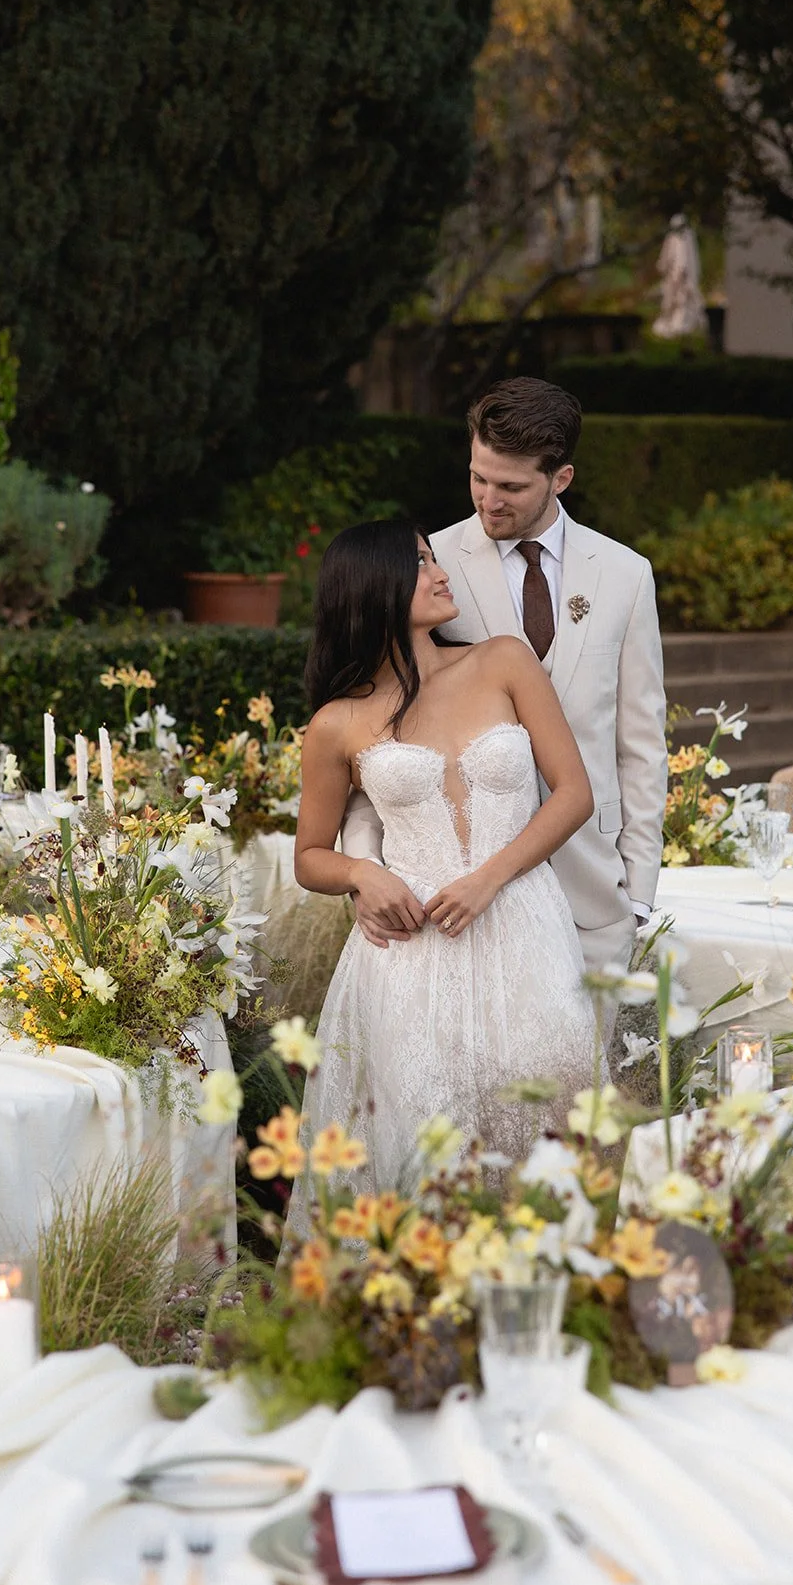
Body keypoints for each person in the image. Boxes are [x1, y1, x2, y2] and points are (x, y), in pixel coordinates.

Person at [292, 519, 597, 1187]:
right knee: (427, 1143)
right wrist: (360, 873)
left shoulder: (502, 661)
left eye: (433, 557)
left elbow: (573, 795)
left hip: (524, 927)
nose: (439, 572)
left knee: (548, 1116)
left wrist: (489, 879)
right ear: (374, 588)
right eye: (418, 563)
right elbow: (309, 856)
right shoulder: (338, 722)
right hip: (411, 951)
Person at [344, 377, 667, 976]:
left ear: (560, 478)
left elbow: (641, 743)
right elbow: (371, 742)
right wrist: (367, 873)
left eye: (512, 487)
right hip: (452, 904)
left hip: (591, 891)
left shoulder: (626, 574)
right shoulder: (426, 569)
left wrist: (639, 891)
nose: (488, 500)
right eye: (478, 478)